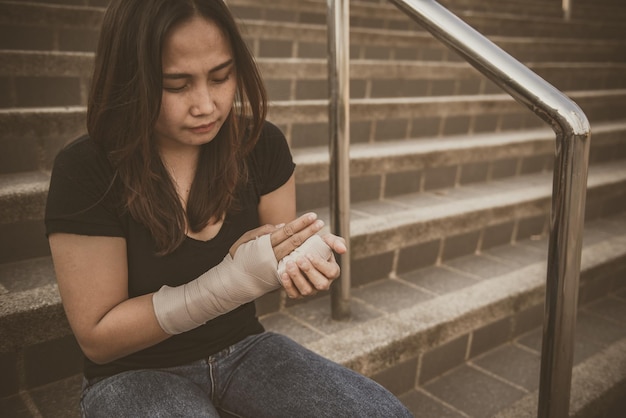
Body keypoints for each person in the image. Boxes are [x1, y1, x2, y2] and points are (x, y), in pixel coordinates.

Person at [45, 0, 413, 416]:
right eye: (176, 84)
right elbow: (99, 336)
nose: (206, 105)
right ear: (131, 80)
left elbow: (275, 256)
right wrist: (229, 280)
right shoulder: (86, 169)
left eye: (221, 76)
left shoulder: (262, 145)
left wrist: (303, 255)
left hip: (243, 348)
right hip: (132, 373)